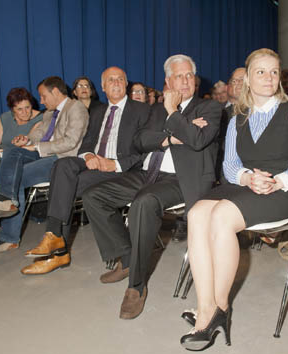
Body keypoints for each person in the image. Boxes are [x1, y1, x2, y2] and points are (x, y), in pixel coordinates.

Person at [180, 48, 288, 351]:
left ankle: (220, 307)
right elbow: (229, 166)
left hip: (286, 191)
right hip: (246, 186)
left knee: (221, 217)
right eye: (261, 72)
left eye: (273, 72)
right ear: (248, 79)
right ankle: (206, 309)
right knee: (197, 214)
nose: (268, 78)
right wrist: (247, 178)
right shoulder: (238, 116)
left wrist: (276, 181)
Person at [82, 54, 221, 320]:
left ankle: (136, 286)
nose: (184, 81)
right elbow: (139, 141)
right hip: (149, 172)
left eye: (189, 75)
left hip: (183, 179)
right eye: (178, 76)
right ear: (168, 81)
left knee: (144, 202)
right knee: (94, 196)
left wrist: (173, 114)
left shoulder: (210, 109)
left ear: (196, 81)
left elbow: (197, 139)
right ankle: (126, 257)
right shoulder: (155, 110)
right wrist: (172, 136)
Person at [20, 67, 150, 275]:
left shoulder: (142, 110)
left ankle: (58, 251)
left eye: (120, 79)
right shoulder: (97, 111)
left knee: (64, 185)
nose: (115, 83)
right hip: (93, 163)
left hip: (122, 169)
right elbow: (87, 142)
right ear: (103, 87)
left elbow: (146, 150)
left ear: (125, 84)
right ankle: (54, 239)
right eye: (110, 80)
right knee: (62, 166)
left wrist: (114, 163)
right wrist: (88, 155)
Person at [0, 76, 89, 254]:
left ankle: (8, 237)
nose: (41, 101)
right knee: (12, 152)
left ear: (56, 92)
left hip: (62, 159)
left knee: (16, 175)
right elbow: (39, 134)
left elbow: (71, 142)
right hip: (44, 154)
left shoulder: (76, 108)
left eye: (43, 96)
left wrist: (35, 146)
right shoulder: (50, 112)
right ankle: (5, 202)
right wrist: (25, 139)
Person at [0, 88, 43, 237]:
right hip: (1, 157)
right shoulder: (4, 118)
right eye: (19, 109)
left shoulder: (40, 119)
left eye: (28, 107)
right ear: (12, 110)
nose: (25, 112)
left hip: (26, 158)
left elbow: (28, 146)